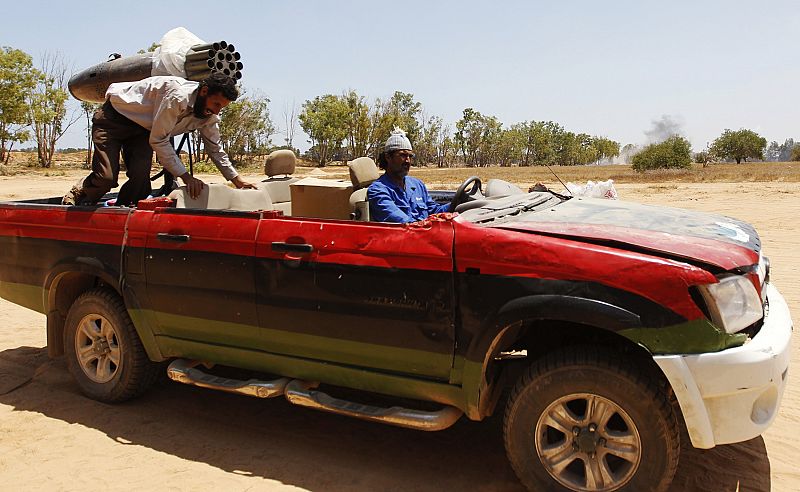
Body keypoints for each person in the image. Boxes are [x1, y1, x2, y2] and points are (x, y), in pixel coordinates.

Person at [63, 73, 256, 206]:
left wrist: (237, 180)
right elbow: (160, 140)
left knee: (140, 180)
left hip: (142, 128)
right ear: (204, 91)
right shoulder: (177, 96)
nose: (216, 110)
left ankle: (122, 213)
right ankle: (81, 195)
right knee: (105, 178)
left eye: (221, 107)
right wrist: (186, 177)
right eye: (215, 104)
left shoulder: (209, 116)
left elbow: (215, 149)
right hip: (114, 118)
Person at [367, 128, 451, 223]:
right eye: (403, 155)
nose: (408, 161)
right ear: (388, 157)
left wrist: (458, 203)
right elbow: (403, 223)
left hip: (426, 233)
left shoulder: (417, 185)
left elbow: (434, 211)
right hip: (405, 236)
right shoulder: (378, 190)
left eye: (410, 156)